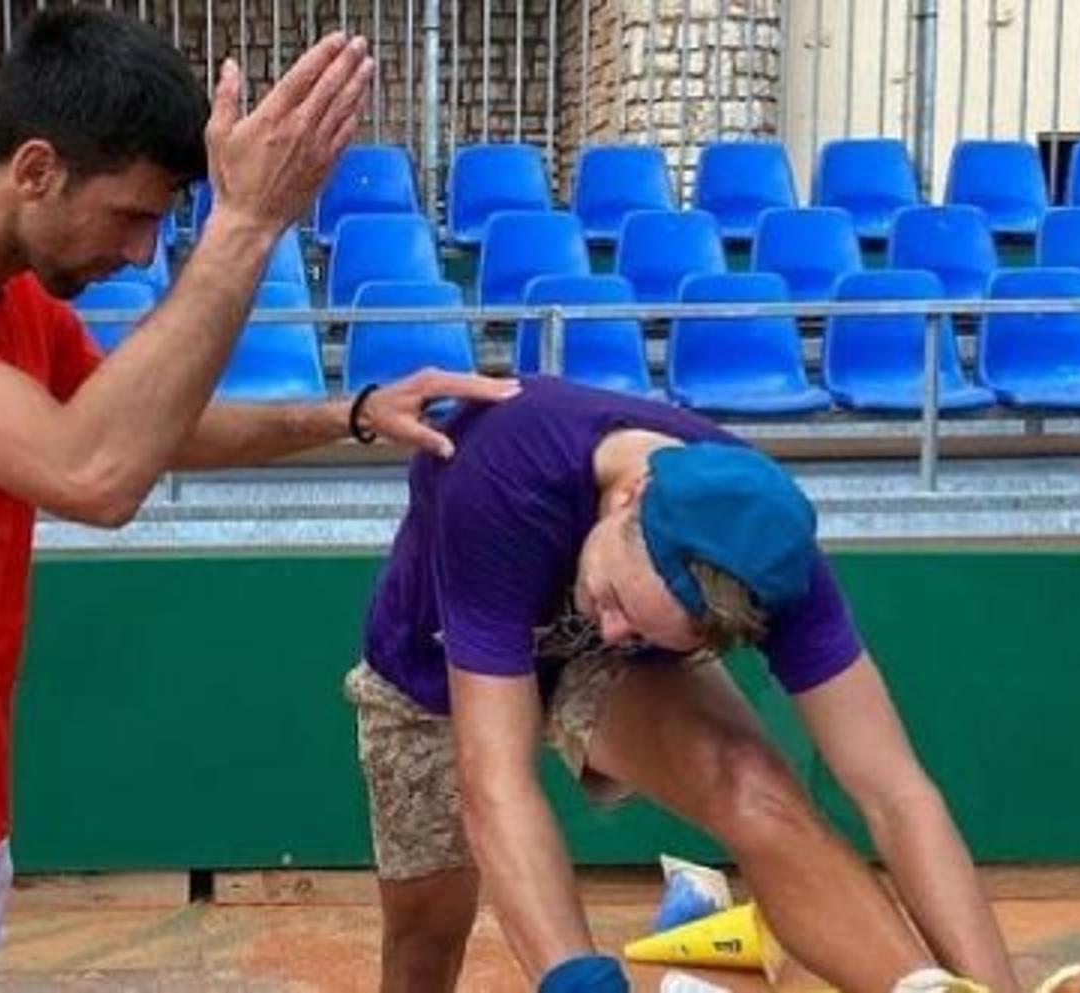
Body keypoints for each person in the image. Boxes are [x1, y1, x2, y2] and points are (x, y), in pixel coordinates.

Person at [0, 9, 511, 990]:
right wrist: (246, 226)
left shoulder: (17, 302)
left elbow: (136, 425)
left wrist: (349, 413)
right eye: (133, 215)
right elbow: (92, 472)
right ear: (37, 169)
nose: (141, 253)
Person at [346, 375, 1027, 993]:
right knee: (425, 936)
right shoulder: (504, 474)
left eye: (638, 623)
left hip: (596, 643)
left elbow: (897, 792)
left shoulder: (763, 545)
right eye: (615, 595)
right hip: (434, 664)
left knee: (751, 783)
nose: (611, 629)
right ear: (631, 495)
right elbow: (495, 783)